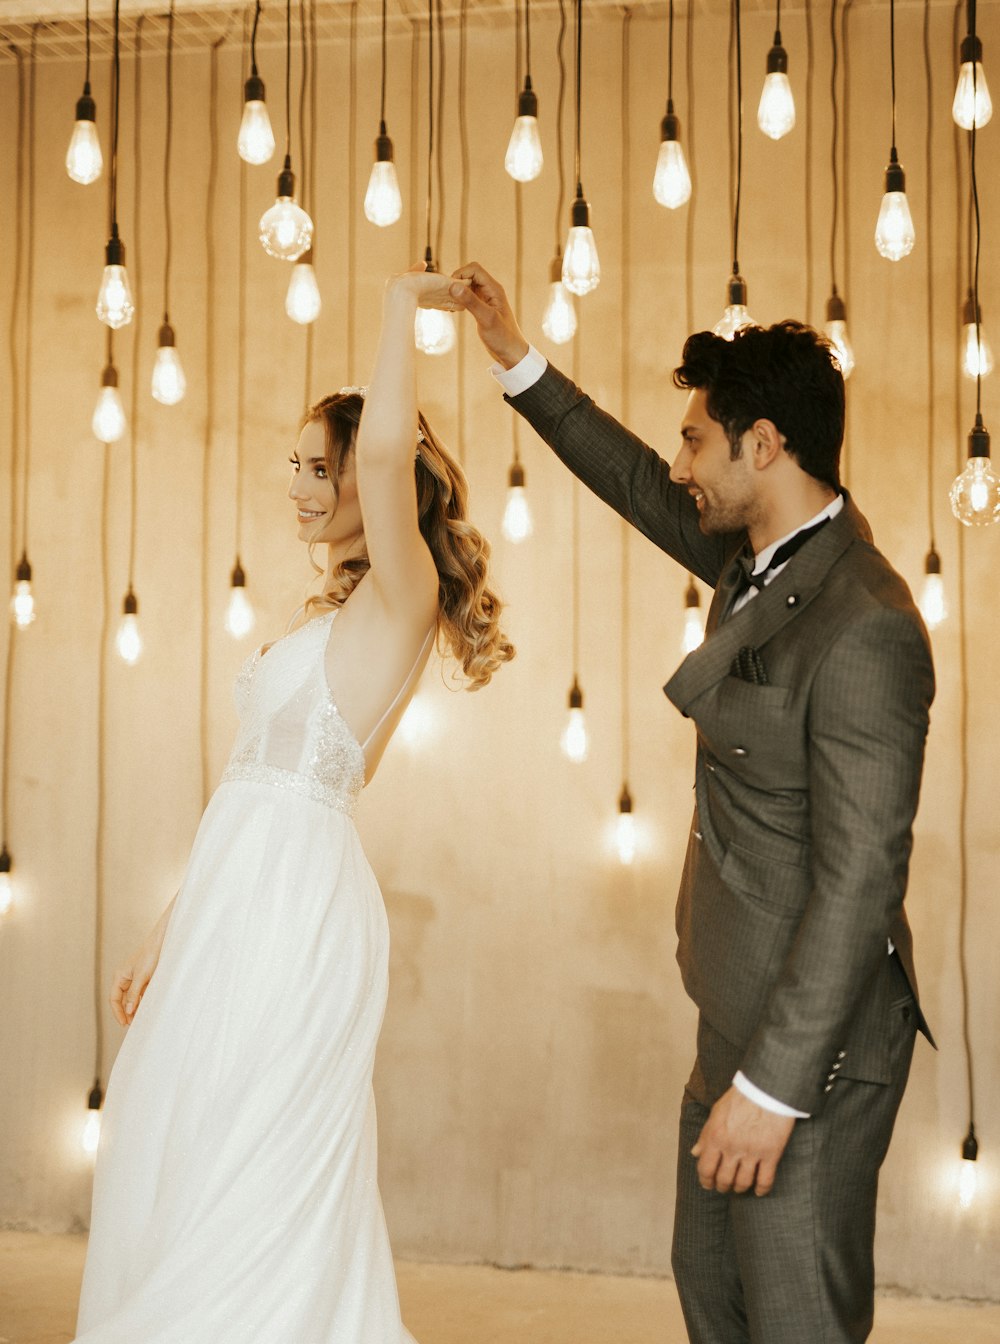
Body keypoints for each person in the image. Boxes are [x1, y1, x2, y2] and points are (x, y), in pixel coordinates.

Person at [448, 263, 934, 1344]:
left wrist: (771, 1087)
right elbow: (628, 478)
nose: (679, 466)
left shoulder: (866, 625)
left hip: (813, 1047)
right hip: (734, 1013)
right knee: (710, 1295)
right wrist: (509, 350)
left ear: (762, 446)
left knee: (790, 1314)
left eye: (694, 442)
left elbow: (861, 881)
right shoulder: (746, 553)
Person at [73, 267, 513, 1343]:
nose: (301, 484)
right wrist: (169, 926)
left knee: (257, 1152)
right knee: (180, 1129)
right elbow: (248, 791)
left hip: (295, 914)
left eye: (323, 465)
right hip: (238, 900)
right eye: (298, 465)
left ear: (384, 479)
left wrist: (401, 304)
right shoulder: (330, 615)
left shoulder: (400, 596)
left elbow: (381, 446)